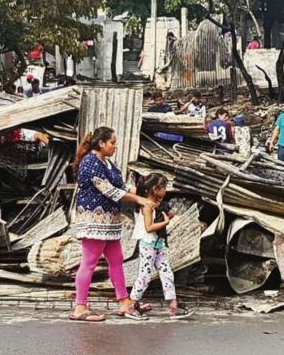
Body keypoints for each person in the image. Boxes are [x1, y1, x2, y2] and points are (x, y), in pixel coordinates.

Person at [69, 127, 157, 323]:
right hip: (93, 220)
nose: (115, 147)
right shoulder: (90, 163)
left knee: (116, 259)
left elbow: (122, 186)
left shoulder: (107, 163)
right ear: (102, 143)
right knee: (89, 263)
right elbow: (110, 191)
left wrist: (145, 191)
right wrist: (139, 200)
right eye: (112, 143)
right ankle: (80, 307)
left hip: (109, 221)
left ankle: (124, 301)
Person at [130, 174, 193, 320]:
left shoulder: (159, 204)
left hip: (159, 244)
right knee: (144, 276)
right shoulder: (147, 207)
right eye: (164, 187)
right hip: (148, 245)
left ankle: (173, 306)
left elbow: (170, 213)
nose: (166, 190)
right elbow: (149, 228)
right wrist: (165, 222)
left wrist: (166, 214)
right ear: (156, 189)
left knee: (167, 273)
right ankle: (132, 305)